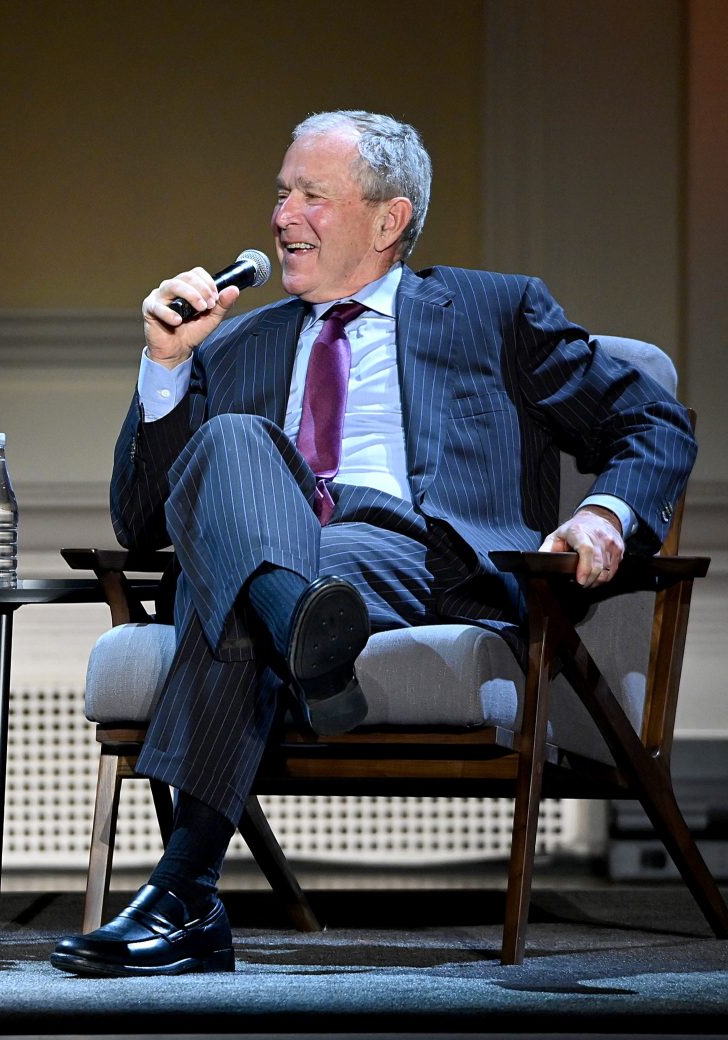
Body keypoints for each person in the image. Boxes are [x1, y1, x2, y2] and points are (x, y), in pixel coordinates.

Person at [51, 110, 696, 977]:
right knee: (234, 449)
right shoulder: (237, 343)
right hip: (291, 550)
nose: (283, 217)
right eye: (282, 194)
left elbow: (652, 421)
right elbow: (143, 521)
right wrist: (164, 367)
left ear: (389, 220)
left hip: (421, 555)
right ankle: (299, 628)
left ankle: (185, 894)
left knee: (234, 582)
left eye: (312, 196)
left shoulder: (491, 310)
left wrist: (606, 515)